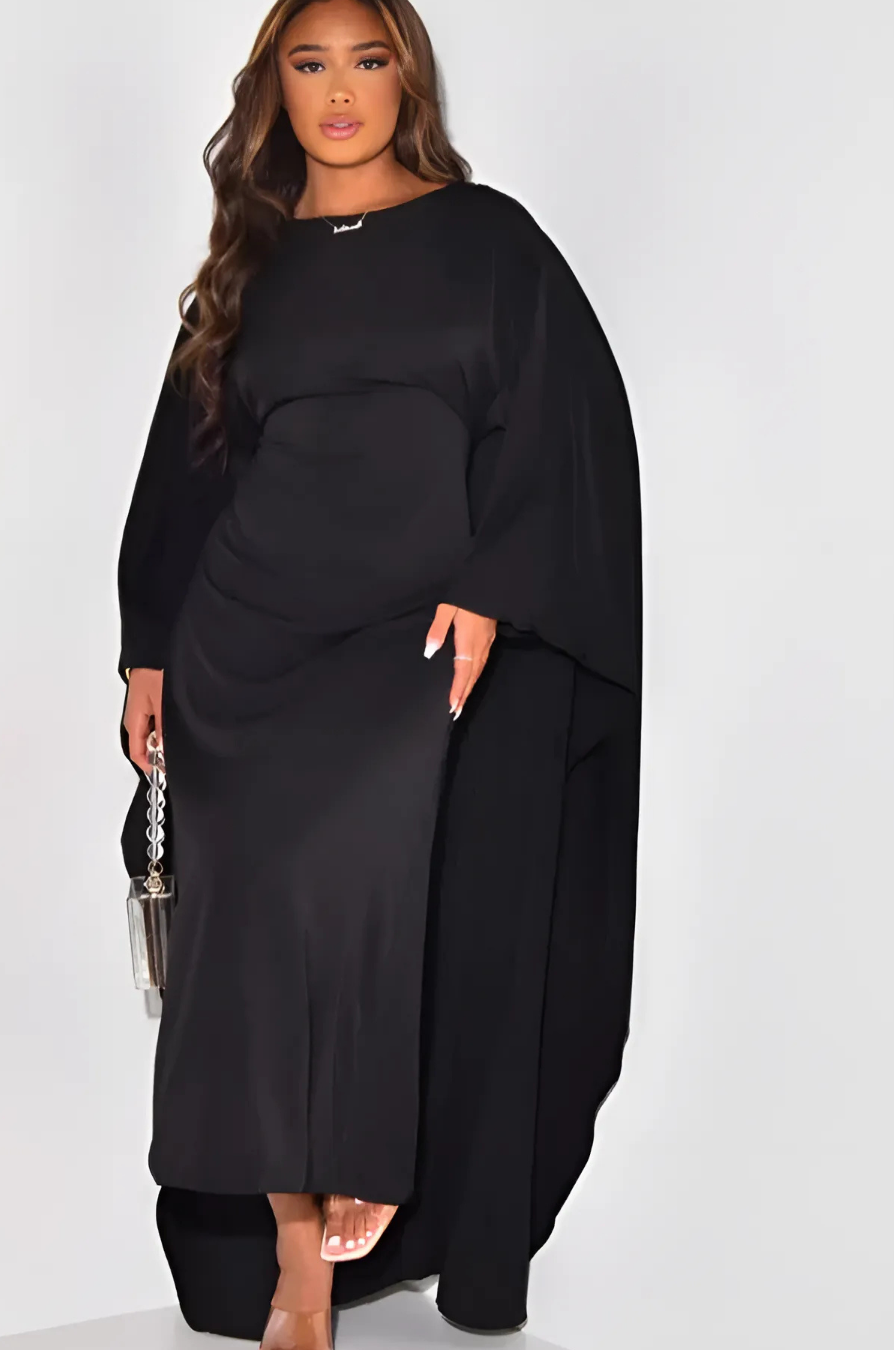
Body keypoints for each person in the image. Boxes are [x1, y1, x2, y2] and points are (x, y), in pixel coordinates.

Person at [116, 1, 642, 1346]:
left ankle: (372, 1152)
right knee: (253, 922)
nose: (339, 91)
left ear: (408, 80)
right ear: (276, 88)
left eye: (368, 61)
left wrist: (496, 580)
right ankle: (299, 1267)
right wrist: (150, 644)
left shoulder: (490, 243)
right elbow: (188, 463)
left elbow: (566, 423)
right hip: (249, 636)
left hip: (410, 636)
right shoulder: (254, 264)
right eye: (310, 63)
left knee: (358, 891)